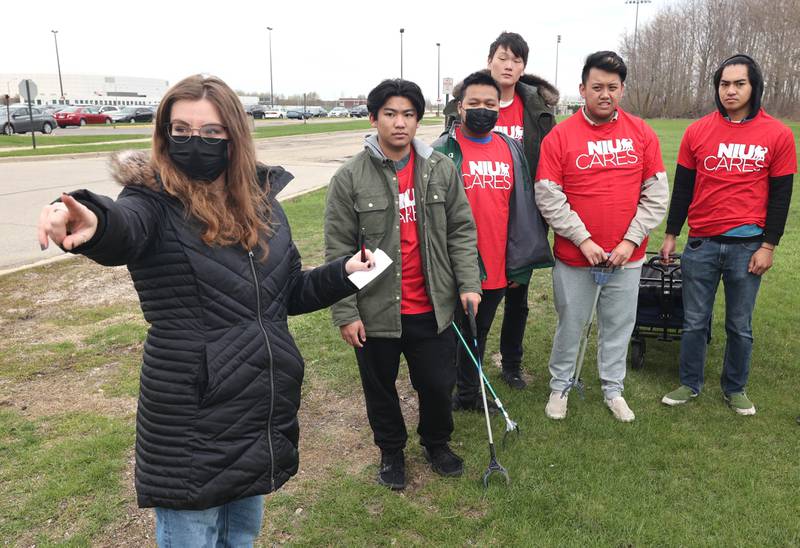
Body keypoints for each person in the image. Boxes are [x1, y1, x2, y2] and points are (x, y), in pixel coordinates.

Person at [36, 74, 373, 547]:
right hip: (191, 419)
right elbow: (123, 229)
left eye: (212, 132)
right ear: (164, 133)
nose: (196, 142)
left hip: (255, 409)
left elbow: (286, 294)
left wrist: (346, 272)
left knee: (240, 539)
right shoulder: (150, 200)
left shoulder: (262, 205)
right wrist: (91, 219)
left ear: (234, 136)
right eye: (182, 130)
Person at [324, 79, 481, 490]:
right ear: (374, 118)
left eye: (408, 114)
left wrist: (468, 284)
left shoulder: (440, 170)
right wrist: (345, 312)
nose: (400, 123)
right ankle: (391, 451)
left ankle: (436, 442)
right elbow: (337, 250)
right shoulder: (349, 178)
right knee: (380, 388)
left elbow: (461, 231)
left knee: (436, 382)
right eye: (390, 114)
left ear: (418, 119)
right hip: (375, 309)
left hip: (432, 305)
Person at [535, 51, 669, 422]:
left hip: (628, 257)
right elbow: (548, 194)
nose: (605, 94)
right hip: (576, 257)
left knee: (619, 325)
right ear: (582, 89)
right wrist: (583, 239)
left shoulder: (641, 133)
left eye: (612, 87)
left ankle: (613, 389)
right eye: (597, 87)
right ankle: (560, 385)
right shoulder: (560, 136)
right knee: (571, 323)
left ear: (622, 89)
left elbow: (656, 194)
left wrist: (629, 241)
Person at [660, 54, 796, 415]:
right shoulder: (697, 131)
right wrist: (672, 234)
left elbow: (782, 195)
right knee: (693, 321)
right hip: (701, 244)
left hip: (747, 247)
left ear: (754, 87)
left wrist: (769, 245)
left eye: (739, 83)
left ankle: (735, 388)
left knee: (740, 325)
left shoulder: (778, 134)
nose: (730, 91)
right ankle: (690, 383)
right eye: (724, 84)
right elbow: (684, 189)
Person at [444, 31, 558, 390]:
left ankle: (511, 363)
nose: (509, 65)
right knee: (468, 298)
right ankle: (460, 376)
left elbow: (547, 160)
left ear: (524, 67)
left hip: (522, 215)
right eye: (503, 57)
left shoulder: (535, 108)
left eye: (517, 60)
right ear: (489, 59)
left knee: (516, 297)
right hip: (475, 213)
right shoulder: (469, 102)